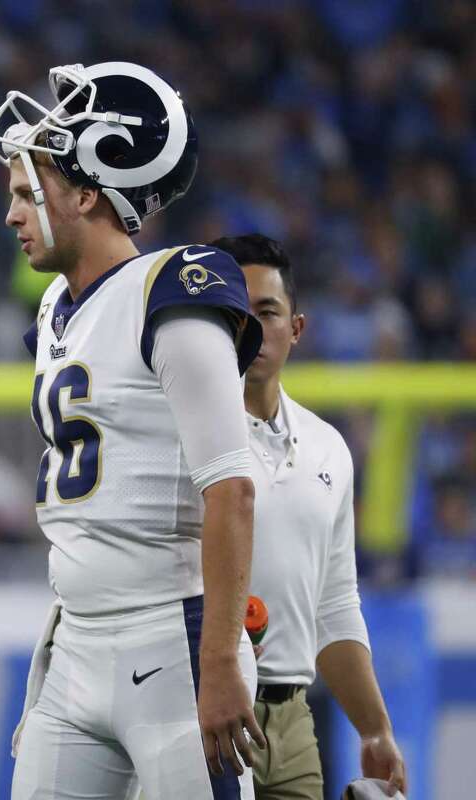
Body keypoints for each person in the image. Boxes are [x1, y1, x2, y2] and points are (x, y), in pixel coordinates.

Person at [0, 61, 266, 798]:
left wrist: (222, 660)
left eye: (26, 192)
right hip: (75, 636)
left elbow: (231, 489)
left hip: (172, 639)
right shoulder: (54, 309)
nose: (12, 215)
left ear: (87, 190)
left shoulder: (172, 290)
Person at [212, 233, 408, 798]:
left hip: (293, 718)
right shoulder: (178, 434)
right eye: (234, 312)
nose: (251, 327)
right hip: (204, 703)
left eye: (267, 311)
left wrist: (374, 727)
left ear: (296, 329)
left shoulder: (329, 449)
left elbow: (335, 606)